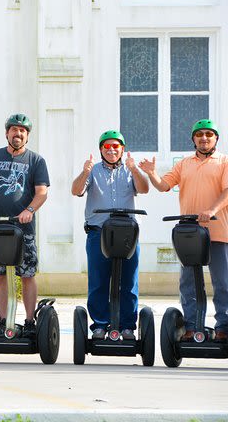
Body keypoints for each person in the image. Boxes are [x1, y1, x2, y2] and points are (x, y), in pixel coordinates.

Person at [139, 119, 228, 342]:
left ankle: (223, 328)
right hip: (189, 233)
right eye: (200, 134)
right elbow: (163, 186)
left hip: (218, 230)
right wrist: (151, 173)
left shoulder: (224, 161)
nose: (204, 138)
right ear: (193, 139)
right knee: (188, 283)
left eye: (209, 134)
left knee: (223, 282)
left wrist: (211, 209)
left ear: (216, 138)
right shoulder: (184, 163)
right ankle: (191, 326)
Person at [0, 113, 49, 337]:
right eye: (14, 130)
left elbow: (42, 193)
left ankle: (31, 321)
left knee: (27, 275)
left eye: (22, 131)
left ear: (27, 135)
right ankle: (3, 320)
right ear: (7, 133)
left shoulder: (36, 161)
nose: (18, 133)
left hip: (23, 229)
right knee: (0, 275)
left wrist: (29, 210)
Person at [71, 130, 149, 340]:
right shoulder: (93, 171)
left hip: (127, 234)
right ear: (101, 150)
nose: (112, 150)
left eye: (116, 146)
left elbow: (144, 189)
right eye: (107, 146)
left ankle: (126, 327)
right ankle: (100, 325)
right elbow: (76, 191)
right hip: (99, 233)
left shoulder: (129, 170)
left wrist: (135, 170)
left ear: (122, 149)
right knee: (98, 281)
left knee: (129, 282)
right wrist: (85, 172)